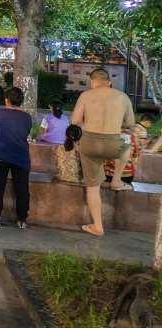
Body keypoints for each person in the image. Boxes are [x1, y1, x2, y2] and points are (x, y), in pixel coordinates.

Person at [70, 68, 135, 237]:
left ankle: (98, 226)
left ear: (92, 82)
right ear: (109, 82)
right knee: (127, 145)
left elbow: (75, 121)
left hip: (89, 144)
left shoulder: (86, 95)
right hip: (113, 144)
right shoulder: (123, 97)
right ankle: (116, 180)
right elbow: (130, 123)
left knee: (93, 187)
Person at [0, 86, 32, 229]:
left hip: (0, 155)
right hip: (21, 157)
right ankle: (22, 219)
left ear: (6, 100)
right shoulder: (27, 117)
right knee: (22, 189)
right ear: (21, 101)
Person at [104, 113, 155, 184]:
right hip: (125, 176)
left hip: (106, 174)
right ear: (147, 122)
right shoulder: (140, 132)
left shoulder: (110, 135)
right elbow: (139, 148)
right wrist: (149, 141)